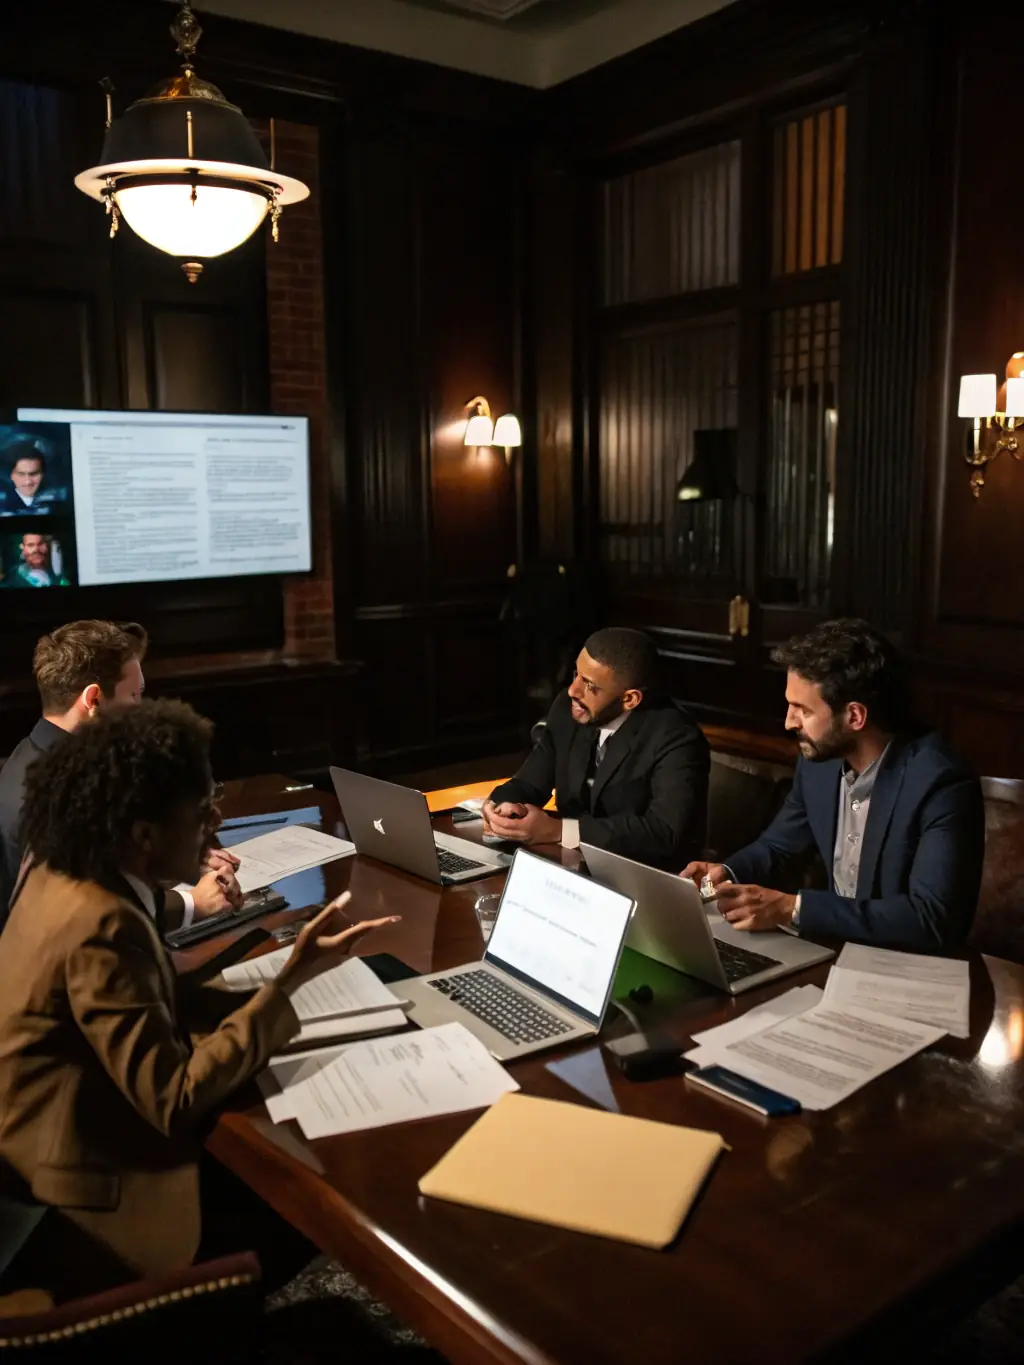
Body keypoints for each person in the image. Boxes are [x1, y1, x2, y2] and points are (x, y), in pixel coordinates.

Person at [0, 698, 397, 1297]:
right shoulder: (100, 924)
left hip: (34, 1138)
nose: (213, 827)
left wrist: (271, 985)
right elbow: (174, 1096)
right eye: (199, 814)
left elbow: (138, 994)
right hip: (75, 1196)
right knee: (315, 1194)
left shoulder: (66, 862)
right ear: (143, 834)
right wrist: (289, 982)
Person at [680, 618, 984, 952]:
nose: (788, 722)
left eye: (802, 709)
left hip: (911, 967)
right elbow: (779, 848)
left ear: (855, 716)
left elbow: (932, 918)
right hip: (835, 952)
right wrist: (726, 874)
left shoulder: (941, 781)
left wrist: (792, 908)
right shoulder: (818, 765)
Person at [0, 619, 237, 928]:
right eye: (135, 695)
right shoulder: (60, 799)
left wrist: (183, 857)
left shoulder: (32, 757)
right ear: (94, 700)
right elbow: (94, 913)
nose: (142, 710)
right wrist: (195, 903)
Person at [484, 627, 709, 870]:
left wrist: (558, 830)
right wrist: (500, 806)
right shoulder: (569, 709)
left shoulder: (677, 736)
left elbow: (663, 833)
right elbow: (529, 783)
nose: (573, 690)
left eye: (590, 686)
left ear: (629, 699)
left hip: (643, 877)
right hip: (570, 867)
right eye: (576, 674)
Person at [0, 439, 67, 516]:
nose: (28, 481)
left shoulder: (59, 504)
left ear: (43, 474)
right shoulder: (2, 506)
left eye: (34, 474)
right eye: (21, 474)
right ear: (11, 475)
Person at [5, 532, 69, 587]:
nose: (36, 550)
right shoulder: (13, 579)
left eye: (41, 544)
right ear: (23, 548)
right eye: (31, 545)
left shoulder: (59, 578)